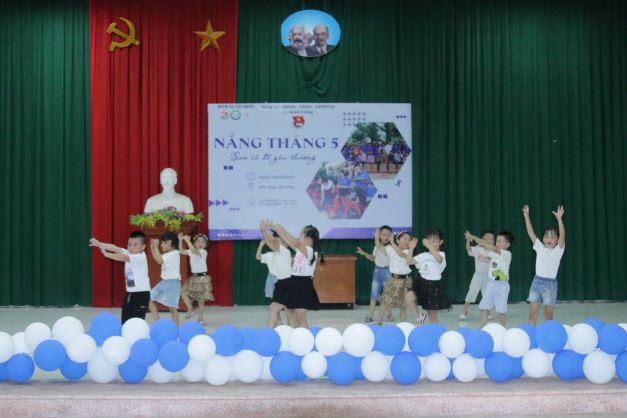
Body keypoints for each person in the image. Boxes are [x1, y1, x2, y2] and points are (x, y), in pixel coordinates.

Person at [266, 221, 321, 328]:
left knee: (300, 317)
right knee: (274, 307)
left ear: (308, 239)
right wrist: (278, 231)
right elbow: (290, 241)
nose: (298, 236)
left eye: (301, 234)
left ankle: (304, 336)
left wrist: (279, 229)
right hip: (293, 282)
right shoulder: (301, 250)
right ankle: (269, 333)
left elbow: (295, 242)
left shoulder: (310, 251)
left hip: (303, 285)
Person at [90, 232, 150, 324]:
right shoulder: (130, 253)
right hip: (130, 293)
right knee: (125, 322)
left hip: (141, 295)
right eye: (129, 244)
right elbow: (115, 248)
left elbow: (123, 257)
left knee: (137, 323)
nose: (131, 247)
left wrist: (107, 255)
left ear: (143, 247)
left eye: (135, 245)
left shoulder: (140, 257)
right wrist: (100, 244)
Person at [522, 205, 566, 325]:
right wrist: (526, 216)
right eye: (546, 236)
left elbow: (563, 235)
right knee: (532, 314)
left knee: (548, 315)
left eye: (553, 236)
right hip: (537, 282)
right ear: (543, 239)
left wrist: (559, 219)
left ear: (557, 240)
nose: (549, 239)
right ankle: (530, 334)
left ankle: (548, 333)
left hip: (550, 285)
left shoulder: (558, 250)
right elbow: (530, 232)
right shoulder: (539, 247)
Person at [465, 230, 514, 327]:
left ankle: (502, 328)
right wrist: (476, 240)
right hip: (491, 283)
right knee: (484, 307)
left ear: (507, 244)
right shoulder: (493, 253)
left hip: (502, 285)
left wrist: (475, 238)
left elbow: (491, 247)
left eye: (499, 241)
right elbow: (485, 248)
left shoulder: (506, 254)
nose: (497, 243)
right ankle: (482, 327)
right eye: (497, 241)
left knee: (501, 309)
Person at [405, 229, 450, 324]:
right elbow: (409, 261)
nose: (431, 243)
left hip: (433, 286)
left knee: (432, 316)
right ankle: (419, 317)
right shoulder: (424, 255)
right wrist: (411, 248)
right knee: (409, 297)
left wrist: (429, 246)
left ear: (440, 242)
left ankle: (436, 331)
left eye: (434, 241)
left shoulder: (441, 254)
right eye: (429, 240)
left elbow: (439, 259)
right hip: (421, 283)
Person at [256, 220, 293, 326]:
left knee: (288, 307)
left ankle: (291, 324)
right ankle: (277, 324)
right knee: (274, 306)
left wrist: (264, 230)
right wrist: (264, 231)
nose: (277, 241)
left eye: (279, 240)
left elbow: (272, 242)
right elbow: (271, 243)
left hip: (287, 282)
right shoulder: (276, 253)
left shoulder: (285, 252)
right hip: (280, 282)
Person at [376, 230, 417, 325]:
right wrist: (377, 237)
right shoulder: (390, 249)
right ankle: (379, 321)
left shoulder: (408, 251)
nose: (407, 242)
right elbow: (379, 247)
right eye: (405, 239)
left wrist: (392, 243)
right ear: (398, 240)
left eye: (409, 240)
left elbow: (400, 254)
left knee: (403, 305)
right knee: (385, 300)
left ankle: (402, 325)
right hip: (393, 279)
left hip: (405, 281)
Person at [356, 225, 393, 323]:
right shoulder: (377, 246)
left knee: (387, 294)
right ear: (380, 236)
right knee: (374, 294)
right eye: (383, 234)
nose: (386, 237)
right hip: (377, 271)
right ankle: (370, 316)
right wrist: (364, 253)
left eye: (388, 235)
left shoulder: (390, 247)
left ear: (391, 237)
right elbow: (373, 258)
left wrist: (376, 238)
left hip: (387, 271)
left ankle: (389, 316)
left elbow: (379, 247)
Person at [459, 230, 495, 320]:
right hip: (478, 275)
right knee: (471, 292)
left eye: (492, 239)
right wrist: (468, 240)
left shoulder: (494, 251)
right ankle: (465, 310)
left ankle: (488, 312)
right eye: (488, 238)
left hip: (488, 276)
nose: (490, 240)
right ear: (483, 239)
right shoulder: (478, 249)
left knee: (487, 294)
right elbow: (469, 249)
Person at [179, 233, 213, 326]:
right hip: (194, 278)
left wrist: (187, 241)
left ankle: (200, 319)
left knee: (200, 301)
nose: (200, 243)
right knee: (183, 292)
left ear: (206, 245)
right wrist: (180, 240)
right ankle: (190, 308)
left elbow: (194, 251)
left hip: (202, 278)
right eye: (198, 242)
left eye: (202, 242)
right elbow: (181, 251)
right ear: (194, 243)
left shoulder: (203, 252)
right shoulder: (191, 251)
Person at [148, 232, 181, 325]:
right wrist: (152, 247)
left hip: (173, 283)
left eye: (162, 243)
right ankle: (158, 322)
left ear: (169, 243)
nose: (161, 245)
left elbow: (159, 260)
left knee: (172, 307)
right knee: (149, 299)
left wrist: (155, 247)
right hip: (165, 282)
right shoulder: (168, 254)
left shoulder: (174, 253)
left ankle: (176, 328)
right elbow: (157, 259)